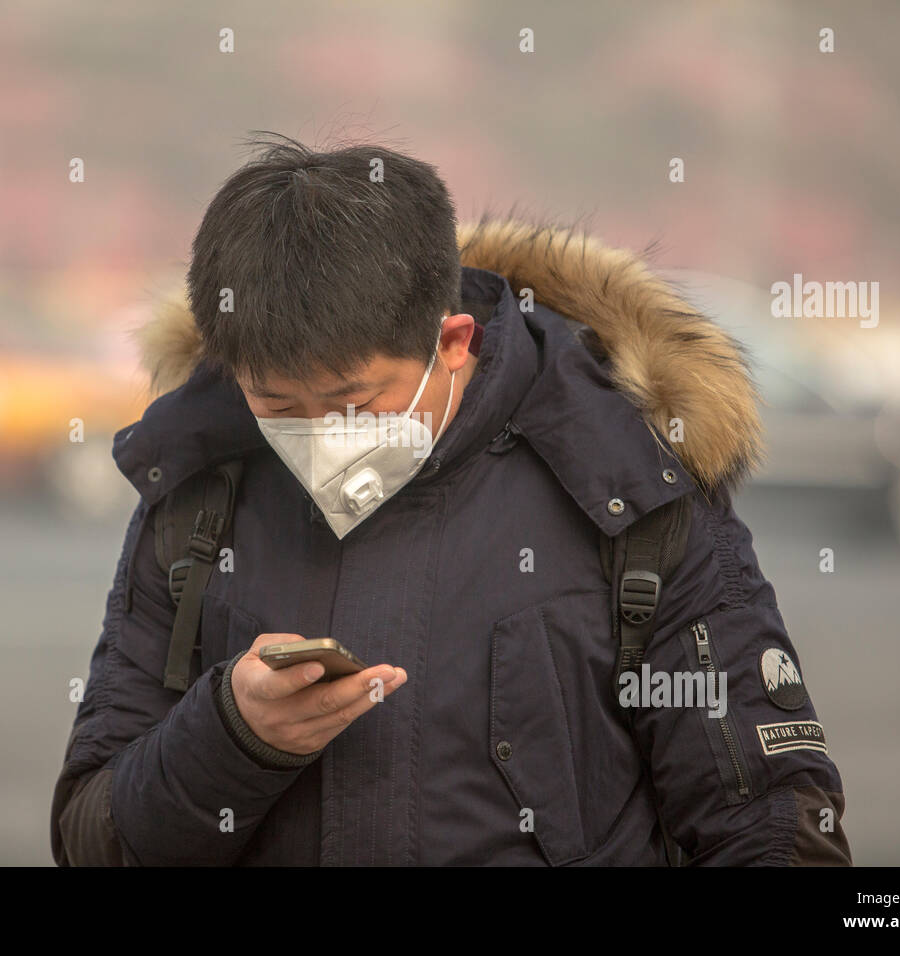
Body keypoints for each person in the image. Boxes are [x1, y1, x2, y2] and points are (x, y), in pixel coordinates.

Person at [50, 132, 852, 866]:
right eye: (278, 406)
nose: (318, 434)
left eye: (353, 402)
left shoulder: (626, 485)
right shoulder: (198, 492)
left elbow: (769, 817)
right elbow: (92, 836)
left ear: (454, 342)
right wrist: (230, 736)